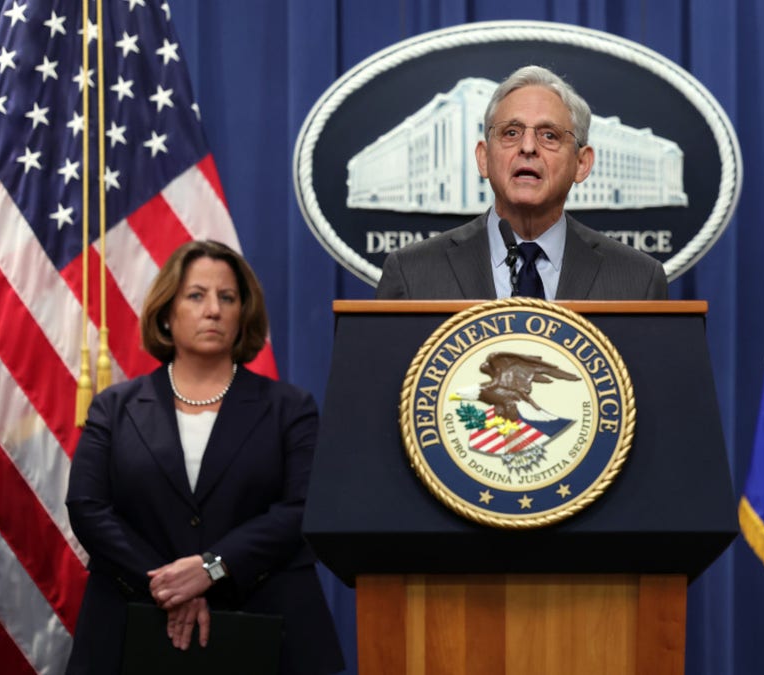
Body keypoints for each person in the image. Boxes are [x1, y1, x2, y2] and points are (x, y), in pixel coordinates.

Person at [66, 240, 344, 674]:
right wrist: (172, 585)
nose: (213, 309)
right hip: (133, 618)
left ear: (242, 314)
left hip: (267, 622)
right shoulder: (113, 408)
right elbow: (87, 508)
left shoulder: (290, 407)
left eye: (227, 298)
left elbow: (301, 509)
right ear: (166, 312)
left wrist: (213, 568)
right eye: (196, 295)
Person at [374, 64, 668, 300]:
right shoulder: (412, 275)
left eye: (549, 135)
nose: (528, 147)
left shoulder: (639, 281)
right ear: (484, 158)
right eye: (511, 133)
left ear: (582, 163)